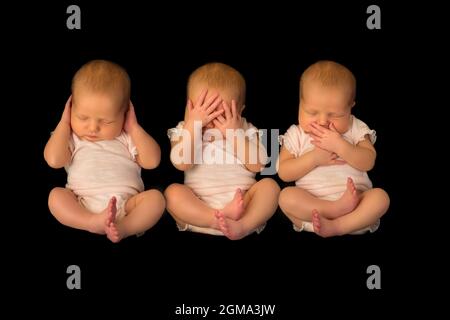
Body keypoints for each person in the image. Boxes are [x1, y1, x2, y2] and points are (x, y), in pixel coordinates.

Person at [44, 59, 165, 243]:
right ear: (70, 110)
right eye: (82, 117)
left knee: (156, 199)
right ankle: (91, 221)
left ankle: (124, 228)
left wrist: (133, 128)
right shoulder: (70, 137)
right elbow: (54, 160)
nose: (92, 128)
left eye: (106, 121)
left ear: (124, 115)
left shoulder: (126, 137)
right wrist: (63, 124)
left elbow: (152, 161)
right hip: (81, 202)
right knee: (55, 197)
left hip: (128, 205)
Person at [165, 62, 280, 240]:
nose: (209, 120)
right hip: (198, 207)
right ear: (189, 108)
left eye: (221, 114)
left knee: (270, 187)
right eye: (203, 110)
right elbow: (181, 163)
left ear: (239, 112)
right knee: (172, 193)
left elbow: (259, 165)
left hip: (244, 205)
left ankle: (242, 226)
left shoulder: (247, 129)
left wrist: (235, 134)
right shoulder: (184, 130)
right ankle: (214, 218)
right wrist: (194, 125)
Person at [278, 60, 389, 237]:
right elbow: (284, 172)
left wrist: (340, 145)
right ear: (300, 103)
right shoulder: (296, 134)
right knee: (285, 197)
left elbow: (369, 161)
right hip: (313, 206)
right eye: (312, 112)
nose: (322, 121)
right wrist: (314, 158)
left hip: (356, 206)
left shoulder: (355, 128)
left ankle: (338, 226)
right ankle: (333, 211)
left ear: (350, 108)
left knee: (381, 198)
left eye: (335, 115)